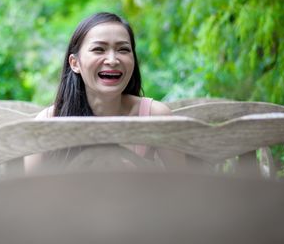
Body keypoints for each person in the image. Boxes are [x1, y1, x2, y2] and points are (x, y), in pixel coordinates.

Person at [29, 12, 182, 170]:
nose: (113, 60)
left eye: (123, 50)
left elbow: (185, 185)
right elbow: (30, 191)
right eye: (99, 49)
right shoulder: (47, 122)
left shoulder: (155, 116)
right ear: (75, 63)